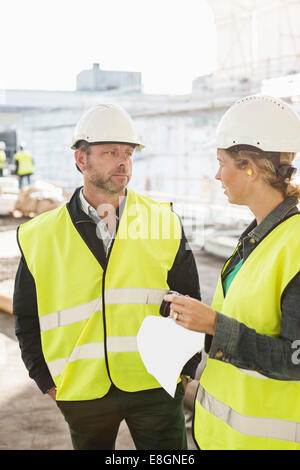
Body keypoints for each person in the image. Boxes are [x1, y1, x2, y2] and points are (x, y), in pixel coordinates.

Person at [13, 103, 201, 450]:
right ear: (81, 160)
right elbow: (26, 315)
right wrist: (45, 379)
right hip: (83, 391)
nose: (123, 162)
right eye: (111, 151)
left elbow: (190, 301)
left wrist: (184, 369)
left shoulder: (163, 221)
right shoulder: (39, 235)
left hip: (156, 384)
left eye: (128, 153)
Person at [164, 94, 300, 450]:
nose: (216, 174)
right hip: (225, 437)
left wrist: (214, 325)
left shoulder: (296, 244)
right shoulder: (258, 236)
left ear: (250, 168)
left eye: (221, 162)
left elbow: (296, 358)